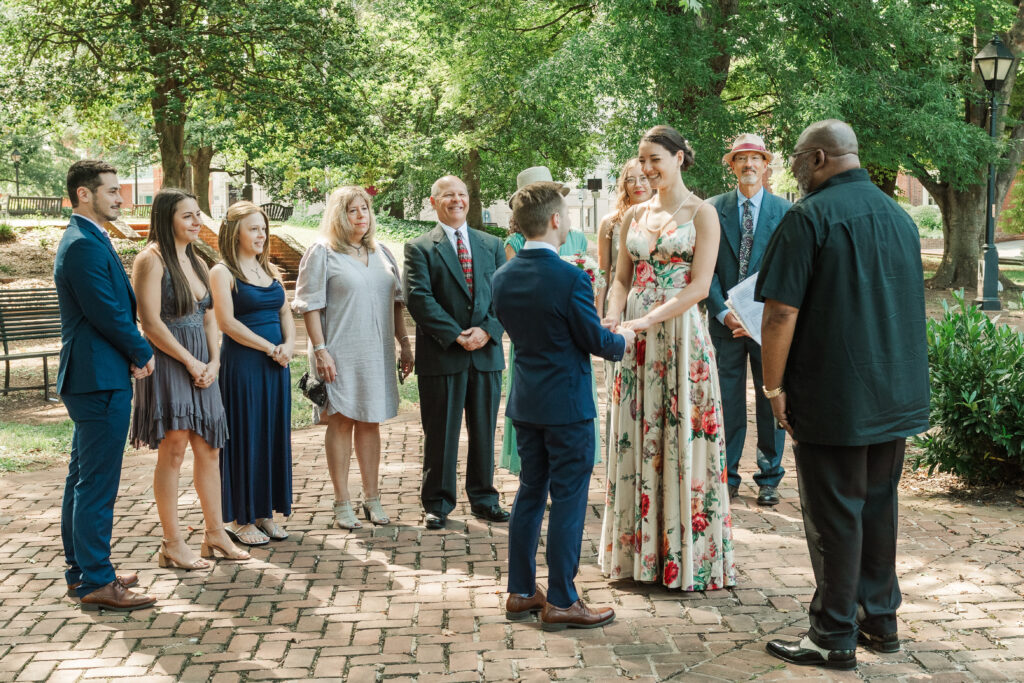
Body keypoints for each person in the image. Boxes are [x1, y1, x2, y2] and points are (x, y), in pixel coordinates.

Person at [759, 120, 929, 670]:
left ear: (818, 158)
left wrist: (773, 386)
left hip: (833, 392)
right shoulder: (899, 217)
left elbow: (781, 311)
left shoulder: (808, 216)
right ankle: (880, 621)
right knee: (878, 507)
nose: (794, 171)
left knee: (833, 515)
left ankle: (832, 633)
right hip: (892, 390)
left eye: (796, 159)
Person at [600, 125, 736, 591]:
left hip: (679, 334)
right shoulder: (633, 215)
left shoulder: (703, 213)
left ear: (680, 157)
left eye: (656, 158)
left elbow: (699, 286)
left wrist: (647, 319)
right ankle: (638, 556)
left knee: (679, 435)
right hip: (634, 337)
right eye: (643, 160)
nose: (647, 168)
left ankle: (684, 557)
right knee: (636, 434)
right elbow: (621, 278)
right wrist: (615, 315)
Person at [494, 181, 634, 630]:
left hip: (526, 402)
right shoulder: (572, 278)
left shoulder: (503, 276)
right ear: (556, 220)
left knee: (530, 493)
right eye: (568, 214)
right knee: (570, 498)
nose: (569, 220)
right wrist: (623, 337)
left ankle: (519, 591)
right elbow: (597, 342)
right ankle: (562, 598)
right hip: (569, 407)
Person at [55, 160, 157, 611]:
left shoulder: (91, 238)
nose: (121, 198)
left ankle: (84, 571)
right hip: (98, 378)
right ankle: (96, 579)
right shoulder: (81, 244)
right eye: (112, 191)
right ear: (84, 194)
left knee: (82, 479)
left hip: (96, 374)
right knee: (96, 484)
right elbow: (107, 313)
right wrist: (141, 351)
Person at [131, 188, 250, 569]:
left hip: (203, 363)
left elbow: (210, 316)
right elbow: (149, 323)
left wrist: (213, 362)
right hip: (169, 362)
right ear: (166, 219)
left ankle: (215, 534)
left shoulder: (197, 260)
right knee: (175, 448)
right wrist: (189, 362)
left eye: (198, 214)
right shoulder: (151, 260)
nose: (197, 221)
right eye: (188, 216)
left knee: (210, 448)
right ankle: (172, 543)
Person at [292, 186, 413, 530]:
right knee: (341, 420)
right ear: (337, 215)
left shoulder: (382, 253)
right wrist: (320, 350)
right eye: (352, 210)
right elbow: (310, 305)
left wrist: (404, 343)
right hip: (338, 351)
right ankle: (342, 501)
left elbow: (396, 302)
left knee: (371, 421)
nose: (361, 216)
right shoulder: (322, 252)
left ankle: (372, 498)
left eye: (365, 209)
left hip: (377, 351)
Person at [404, 175, 508, 530]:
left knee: (483, 432)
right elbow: (419, 299)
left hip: (485, 353)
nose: (456, 200)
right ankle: (437, 502)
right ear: (434, 202)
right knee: (441, 434)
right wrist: (456, 335)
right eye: (448, 195)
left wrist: (488, 331)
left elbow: (504, 295)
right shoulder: (419, 247)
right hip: (442, 354)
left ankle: (484, 499)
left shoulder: (493, 244)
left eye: (462, 194)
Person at [705, 134, 792, 506]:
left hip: (769, 325)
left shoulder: (784, 211)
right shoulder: (711, 209)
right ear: (732, 166)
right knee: (726, 401)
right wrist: (723, 313)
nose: (749, 165)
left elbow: (792, 269)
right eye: (741, 159)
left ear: (766, 165)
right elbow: (703, 269)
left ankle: (769, 475)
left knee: (771, 395)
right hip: (725, 325)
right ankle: (728, 474)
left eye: (756, 158)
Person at [500, 166, 599, 475]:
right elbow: (522, 293)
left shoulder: (579, 239)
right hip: (536, 334)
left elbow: (592, 290)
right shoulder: (515, 244)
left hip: (575, 331)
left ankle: (560, 470)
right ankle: (534, 471)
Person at [210, 201, 295, 545]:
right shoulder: (222, 272)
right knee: (245, 437)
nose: (261, 235)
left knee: (271, 436)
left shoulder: (270, 269)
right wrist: (268, 347)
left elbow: (285, 312)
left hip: (277, 367)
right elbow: (226, 323)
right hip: (244, 367)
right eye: (253, 229)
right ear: (235, 233)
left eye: (263, 228)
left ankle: (264, 513)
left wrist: (289, 346)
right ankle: (240, 518)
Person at [596, 159, 650, 466]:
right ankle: (618, 457)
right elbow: (605, 273)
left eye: (644, 178)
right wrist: (599, 315)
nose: (639, 184)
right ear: (623, 185)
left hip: (654, 307)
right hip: (620, 307)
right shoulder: (611, 223)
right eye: (632, 179)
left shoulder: (666, 217)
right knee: (619, 383)